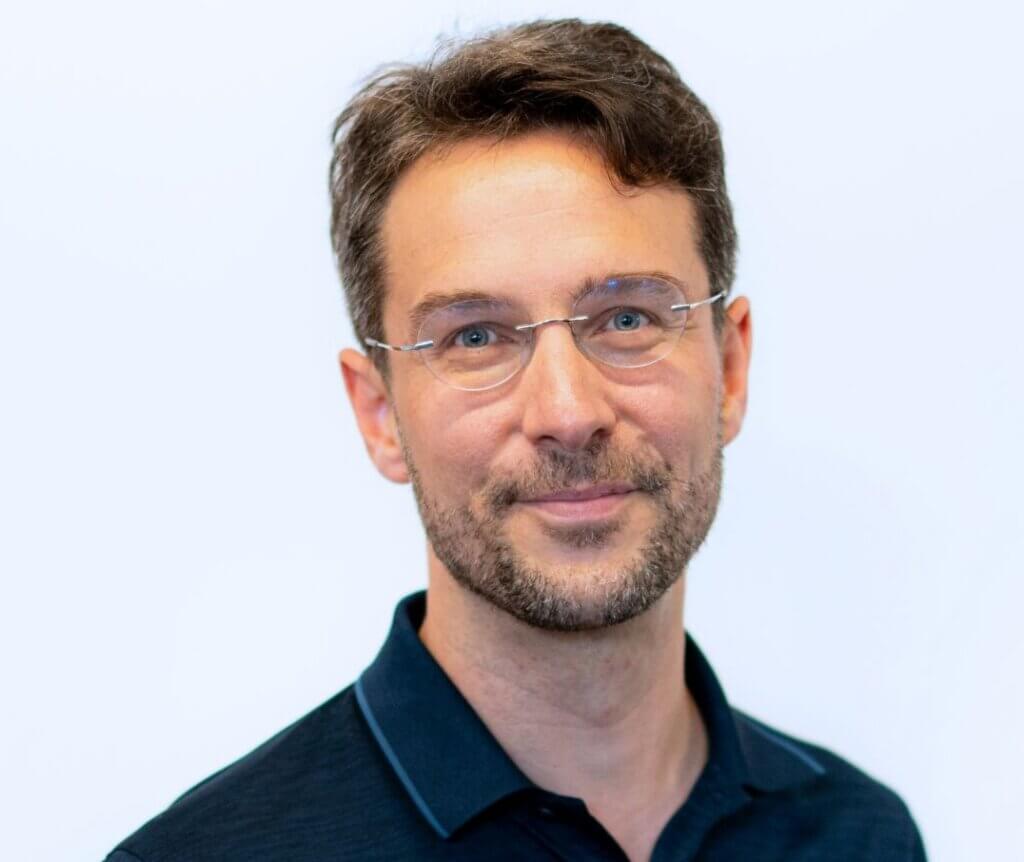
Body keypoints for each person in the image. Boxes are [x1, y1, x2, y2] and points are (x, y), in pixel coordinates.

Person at [105, 18, 926, 862]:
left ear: (732, 368)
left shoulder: (860, 837)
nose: (567, 412)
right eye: (475, 337)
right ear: (379, 413)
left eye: (628, 318)